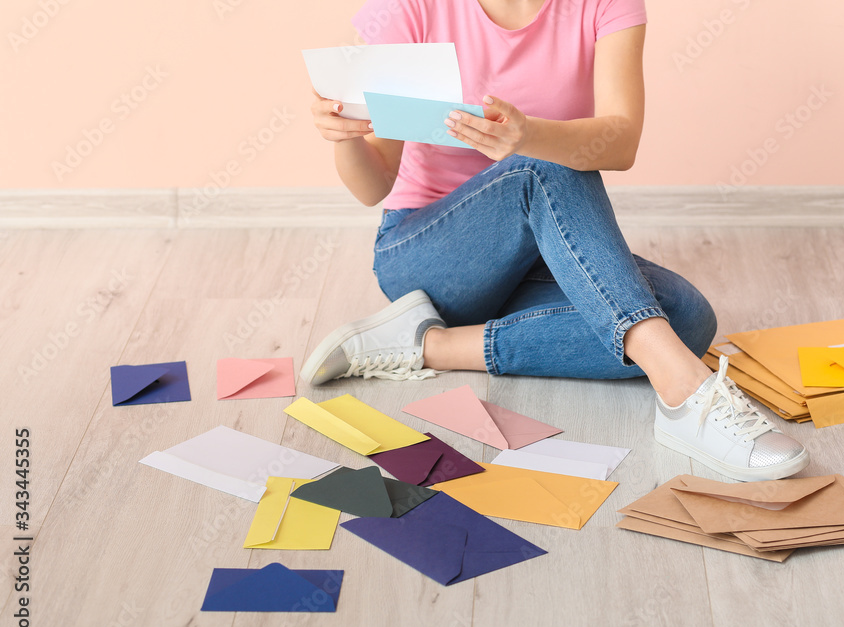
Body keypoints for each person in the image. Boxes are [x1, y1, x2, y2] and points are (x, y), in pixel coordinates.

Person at [301, 0, 809, 482]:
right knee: (546, 166)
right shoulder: (411, 9)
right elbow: (374, 185)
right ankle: (687, 395)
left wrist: (527, 135)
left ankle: (427, 344)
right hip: (426, 256)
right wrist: (344, 139)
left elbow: (622, 141)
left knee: (687, 316)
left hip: (534, 257)